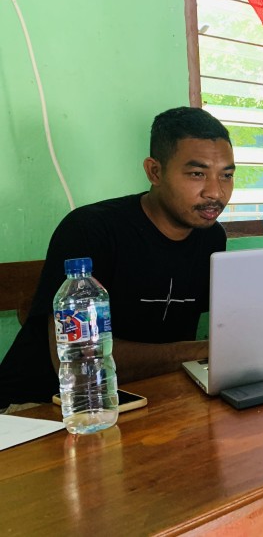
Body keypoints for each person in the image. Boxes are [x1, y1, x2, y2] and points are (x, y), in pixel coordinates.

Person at [0, 107, 235, 409]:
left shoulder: (212, 237)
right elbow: (78, 361)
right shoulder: (90, 230)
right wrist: (202, 350)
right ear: (155, 171)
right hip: (42, 408)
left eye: (226, 175)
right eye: (197, 174)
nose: (215, 192)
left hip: (147, 398)